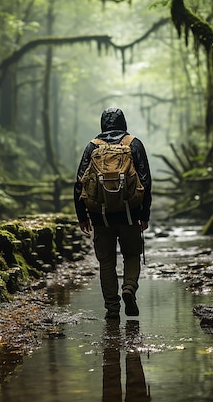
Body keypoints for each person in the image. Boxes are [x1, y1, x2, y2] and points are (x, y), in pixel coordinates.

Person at [74, 107, 152, 319]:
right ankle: (129, 288)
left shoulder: (93, 146)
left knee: (106, 261)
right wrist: (144, 215)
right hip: (130, 213)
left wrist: (82, 216)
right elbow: (145, 181)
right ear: (123, 122)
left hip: (100, 216)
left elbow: (79, 182)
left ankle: (112, 308)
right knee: (132, 254)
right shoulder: (133, 144)